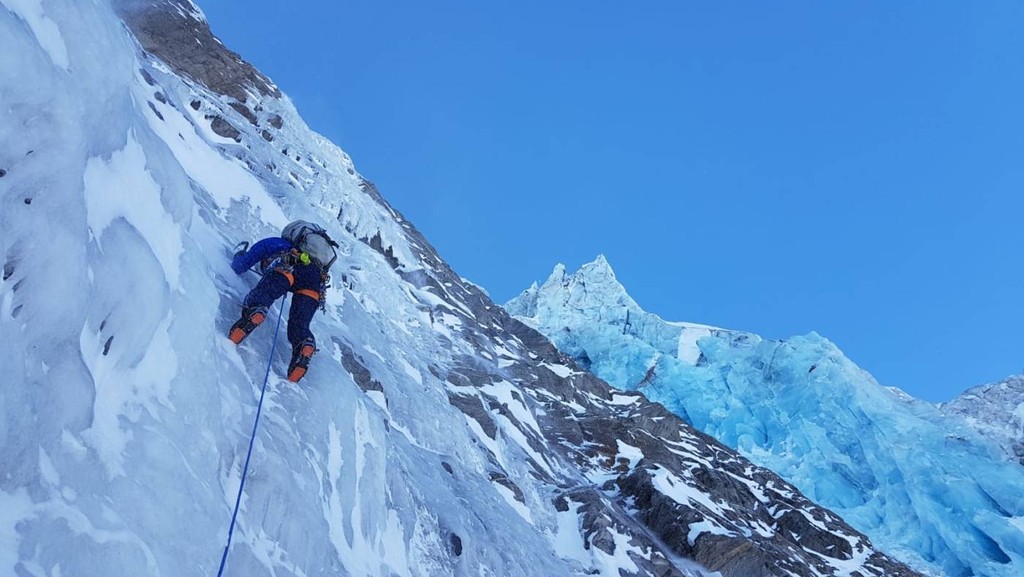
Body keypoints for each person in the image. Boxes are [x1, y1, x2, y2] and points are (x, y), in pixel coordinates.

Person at [228, 221, 338, 382]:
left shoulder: (282, 244)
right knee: (299, 324)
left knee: (263, 296)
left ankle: (255, 312)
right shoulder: (318, 265)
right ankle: (304, 344)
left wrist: (238, 258)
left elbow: (244, 263)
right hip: (314, 285)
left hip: (287, 270)